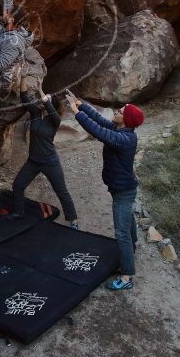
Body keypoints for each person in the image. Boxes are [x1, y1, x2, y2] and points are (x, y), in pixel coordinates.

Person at [67, 90, 144, 291]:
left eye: (120, 111)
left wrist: (76, 113)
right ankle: (133, 247)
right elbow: (99, 120)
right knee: (127, 221)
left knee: (121, 232)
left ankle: (127, 277)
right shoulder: (121, 130)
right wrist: (81, 104)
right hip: (121, 188)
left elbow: (98, 131)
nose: (116, 112)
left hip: (123, 191)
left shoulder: (124, 139)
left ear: (126, 120)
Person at [11, 92, 79, 228]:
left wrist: (44, 95)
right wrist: (23, 79)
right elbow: (25, 97)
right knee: (18, 185)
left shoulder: (55, 120)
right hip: (33, 162)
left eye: (46, 99)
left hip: (50, 162)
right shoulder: (36, 114)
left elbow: (51, 110)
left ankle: (73, 221)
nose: (42, 100)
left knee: (62, 191)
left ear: (51, 104)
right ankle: (19, 212)